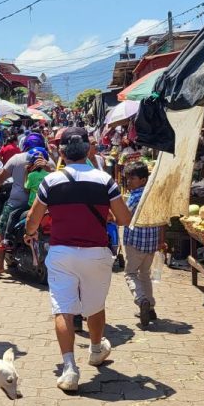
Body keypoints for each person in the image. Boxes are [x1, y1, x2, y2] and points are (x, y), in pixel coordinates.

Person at [23, 127, 131, 392]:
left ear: (60, 152)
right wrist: (108, 216)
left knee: (63, 308)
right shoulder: (105, 181)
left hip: (61, 254)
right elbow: (125, 219)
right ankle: (95, 349)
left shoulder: (50, 181)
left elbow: (32, 220)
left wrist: (29, 233)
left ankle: (69, 368)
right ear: (89, 150)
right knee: (95, 305)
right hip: (96, 253)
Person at [122, 162, 166, 325]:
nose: (128, 182)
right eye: (128, 178)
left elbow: (125, 216)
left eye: (132, 178)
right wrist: (161, 240)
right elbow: (163, 220)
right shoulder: (155, 195)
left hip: (135, 243)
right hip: (151, 244)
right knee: (145, 274)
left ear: (143, 180)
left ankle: (142, 301)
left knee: (130, 273)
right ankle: (151, 308)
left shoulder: (135, 196)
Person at [0, 143, 41, 276]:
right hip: (42, 204)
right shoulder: (48, 160)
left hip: (16, 202)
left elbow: (0, 177)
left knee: (1, 228)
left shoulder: (16, 158)